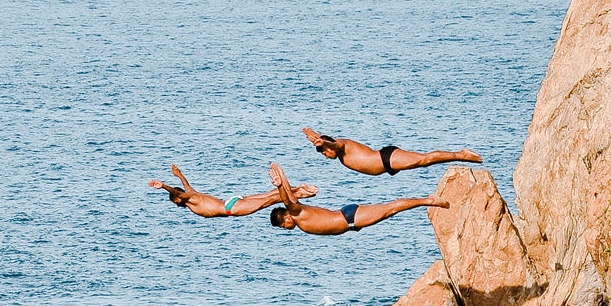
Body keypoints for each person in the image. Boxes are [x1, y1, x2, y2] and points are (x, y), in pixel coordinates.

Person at [263, 161, 449, 236]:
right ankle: (427, 200)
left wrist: (280, 183)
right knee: (389, 210)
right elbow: (288, 197)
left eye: (282, 226)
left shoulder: (297, 213)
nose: (285, 229)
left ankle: (429, 200)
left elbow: (287, 200)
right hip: (350, 220)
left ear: (286, 218)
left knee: (391, 208)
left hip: (349, 218)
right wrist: (281, 178)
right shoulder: (298, 212)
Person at [149, 163, 314, 219]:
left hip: (230, 208)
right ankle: (299, 189)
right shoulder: (193, 196)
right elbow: (186, 187)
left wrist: (163, 186)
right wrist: (180, 175)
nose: (176, 201)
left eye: (175, 199)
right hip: (230, 201)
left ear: (177, 199)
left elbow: (178, 193)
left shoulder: (189, 200)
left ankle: (299, 192)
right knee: (270, 194)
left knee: (269, 199)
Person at [301, 128, 483, 177]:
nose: (325, 155)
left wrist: (322, 141)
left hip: (386, 158)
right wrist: (322, 143)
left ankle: (462, 154)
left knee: (424, 160)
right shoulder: (341, 157)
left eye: (324, 152)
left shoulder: (341, 145)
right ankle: (461, 154)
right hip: (386, 165)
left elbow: (336, 144)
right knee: (423, 161)